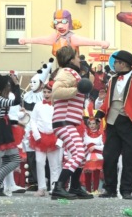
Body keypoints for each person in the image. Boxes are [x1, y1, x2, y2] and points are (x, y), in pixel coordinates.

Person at [95, 50, 132, 200]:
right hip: (113, 121)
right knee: (109, 156)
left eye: (116, 62)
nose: (114, 65)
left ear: (123, 64)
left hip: (129, 122)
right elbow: (108, 100)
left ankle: (126, 189)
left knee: (130, 159)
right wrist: (99, 114)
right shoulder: (112, 79)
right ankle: (110, 189)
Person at [50, 46, 93, 200]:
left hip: (69, 121)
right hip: (64, 121)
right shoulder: (67, 72)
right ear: (70, 59)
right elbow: (56, 91)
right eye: (77, 56)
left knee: (83, 154)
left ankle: (74, 186)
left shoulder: (71, 73)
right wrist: (77, 90)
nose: (79, 59)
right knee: (78, 153)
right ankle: (59, 186)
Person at [19, 9, 109, 56]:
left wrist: (100, 43)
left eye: (64, 22)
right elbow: (41, 40)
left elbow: (87, 41)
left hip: (72, 71)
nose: (60, 26)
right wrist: (26, 40)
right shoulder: (55, 37)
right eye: (56, 22)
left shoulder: (72, 38)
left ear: (69, 22)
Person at [28, 81, 62, 197]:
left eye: (49, 92)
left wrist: (60, 139)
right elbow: (33, 120)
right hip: (40, 137)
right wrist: (36, 134)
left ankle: (54, 187)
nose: (46, 94)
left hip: (54, 136)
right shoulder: (38, 105)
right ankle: (41, 187)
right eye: (45, 92)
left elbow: (61, 123)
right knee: (39, 162)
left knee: (54, 164)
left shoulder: (58, 105)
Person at [83, 117, 104, 193]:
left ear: (97, 124)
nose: (91, 125)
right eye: (90, 123)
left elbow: (104, 146)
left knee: (96, 172)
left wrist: (95, 147)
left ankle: (95, 189)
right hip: (87, 155)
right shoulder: (85, 134)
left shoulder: (101, 134)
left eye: (93, 123)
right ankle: (88, 190)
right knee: (87, 172)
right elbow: (83, 144)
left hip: (98, 156)